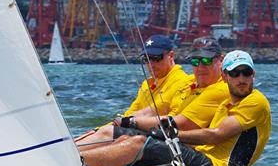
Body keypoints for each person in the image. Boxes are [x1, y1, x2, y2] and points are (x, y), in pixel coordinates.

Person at [82, 50, 271, 166]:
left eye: (246, 73)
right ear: (225, 76)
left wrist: (172, 135)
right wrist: (147, 131)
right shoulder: (226, 103)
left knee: (138, 144)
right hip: (201, 160)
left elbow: (215, 135)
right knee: (119, 135)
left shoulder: (256, 101)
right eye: (235, 73)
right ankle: (62, 156)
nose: (241, 79)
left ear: (253, 74)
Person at [79, 38, 229, 149]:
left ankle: (70, 161)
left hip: (184, 148)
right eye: (195, 62)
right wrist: (99, 130)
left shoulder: (183, 81)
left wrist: (128, 122)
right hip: (167, 138)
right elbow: (140, 112)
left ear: (171, 56)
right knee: (111, 133)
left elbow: (172, 119)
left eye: (206, 61)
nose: (151, 64)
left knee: (116, 136)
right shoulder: (189, 83)